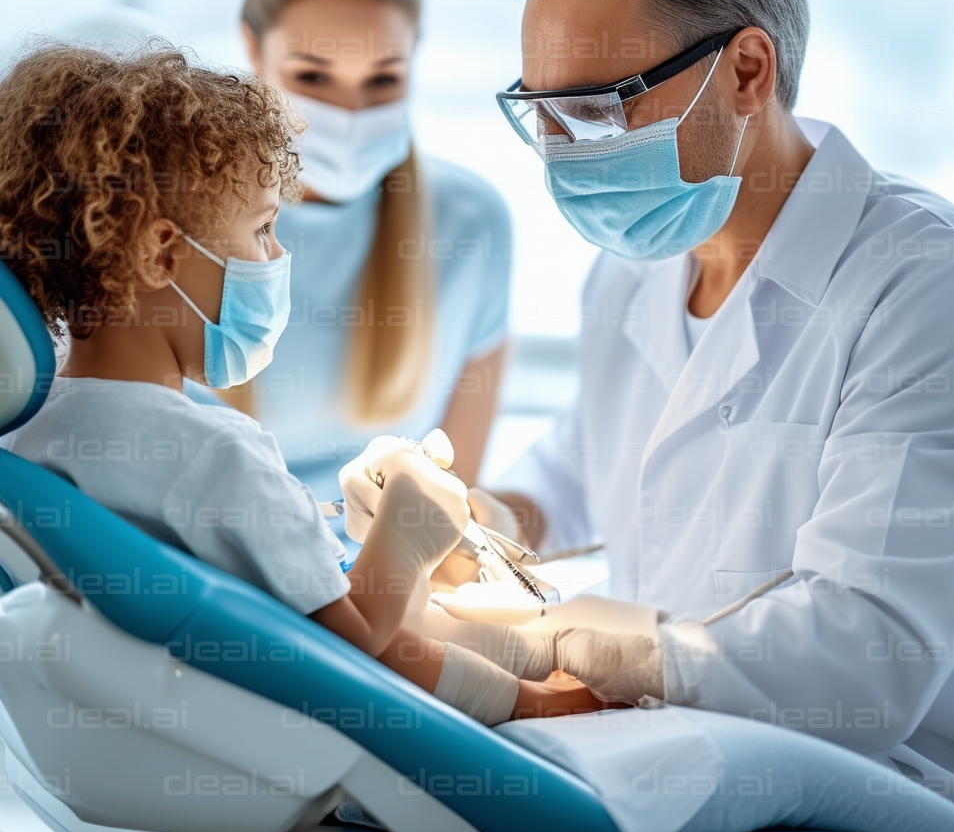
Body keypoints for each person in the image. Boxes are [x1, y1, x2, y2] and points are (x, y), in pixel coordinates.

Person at [450, 0, 954, 830]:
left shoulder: (936, 286)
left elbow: (863, 656)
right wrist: (482, 513)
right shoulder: (633, 271)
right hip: (690, 758)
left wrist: (613, 648)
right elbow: (591, 466)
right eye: (537, 113)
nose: (559, 151)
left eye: (594, 109)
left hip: (912, 788)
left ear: (747, 71)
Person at [0, 43, 599, 726]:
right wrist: (404, 534)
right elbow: (351, 647)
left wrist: (308, 526)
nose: (278, 257)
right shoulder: (213, 451)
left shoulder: (37, 433)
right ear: (161, 253)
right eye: (261, 229)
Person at [227, 0, 512, 504]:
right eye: (313, 76)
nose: (350, 114)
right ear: (253, 49)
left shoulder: (472, 227)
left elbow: (452, 509)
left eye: (383, 79)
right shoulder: (175, 223)